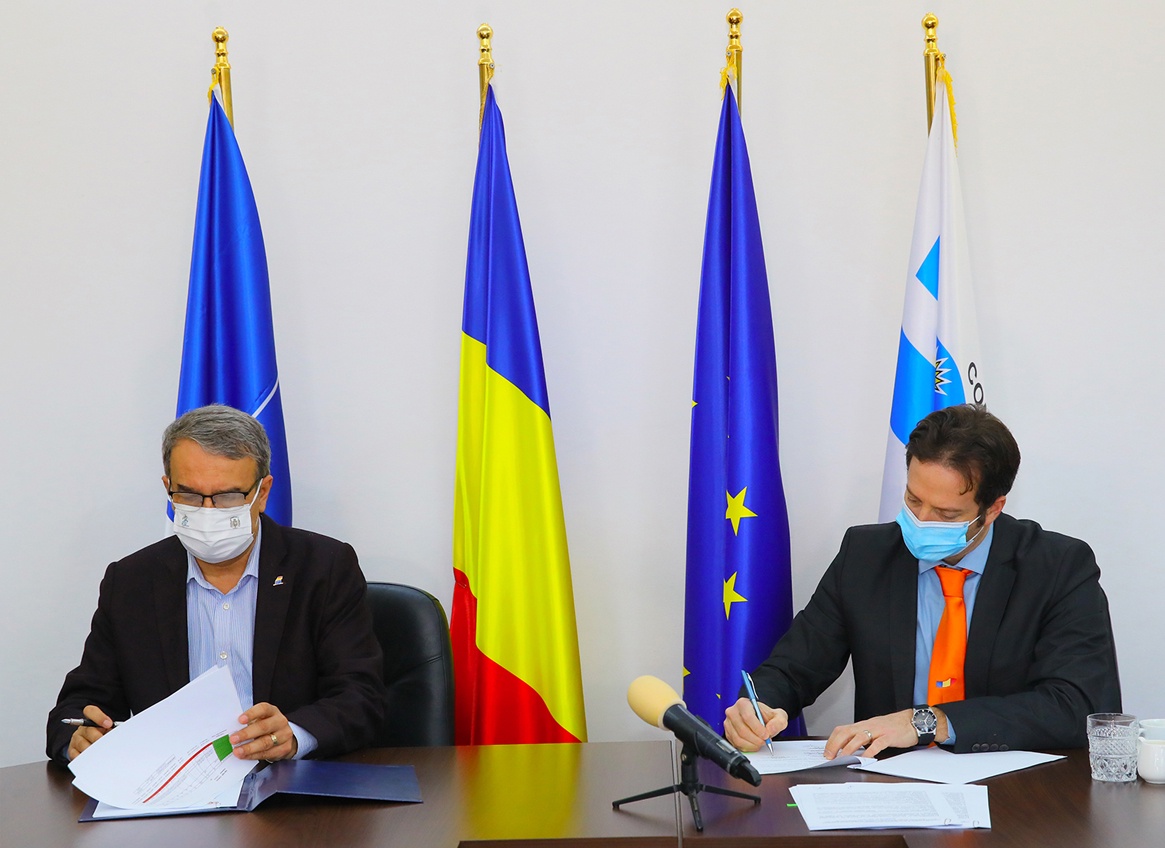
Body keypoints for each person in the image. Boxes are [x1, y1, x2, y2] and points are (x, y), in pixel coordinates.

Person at [724, 404, 1121, 758]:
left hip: (1014, 789)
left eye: (946, 515)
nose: (921, 521)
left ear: (993, 508)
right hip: (891, 782)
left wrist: (928, 722)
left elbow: (1079, 708)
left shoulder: (1058, 568)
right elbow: (794, 668)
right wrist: (759, 706)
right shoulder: (865, 556)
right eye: (914, 500)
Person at [47, 405, 388, 766]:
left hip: (290, 785)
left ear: (262, 493)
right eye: (190, 495)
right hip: (176, 787)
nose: (207, 511)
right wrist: (79, 738)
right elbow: (79, 706)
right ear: (168, 488)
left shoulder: (323, 568)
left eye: (227, 496)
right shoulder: (132, 581)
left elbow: (361, 696)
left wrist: (293, 735)